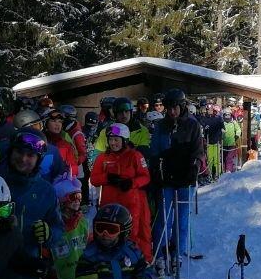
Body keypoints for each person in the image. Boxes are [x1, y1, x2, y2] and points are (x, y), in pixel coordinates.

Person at [149, 89, 203, 267]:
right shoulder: (161, 126)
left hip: (185, 178)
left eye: (175, 108)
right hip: (167, 178)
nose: (172, 112)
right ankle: (161, 251)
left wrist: (194, 166)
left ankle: (178, 250)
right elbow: (155, 151)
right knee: (164, 218)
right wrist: (156, 169)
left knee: (182, 218)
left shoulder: (192, 125)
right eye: (168, 108)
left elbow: (198, 151)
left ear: (181, 106)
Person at [90, 122, 153, 262]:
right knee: (108, 236)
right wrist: (107, 178)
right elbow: (94, 179)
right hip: (109, 204)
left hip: (130, 203)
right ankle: (110, 264)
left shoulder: (135, 156)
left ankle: (135, 262)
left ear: (124, 140)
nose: (113, 143)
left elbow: (145, 177)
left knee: (132, 234)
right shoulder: (103, 158)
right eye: (110, 140)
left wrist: (131, 183)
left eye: (116, 140)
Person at [0, 131, 65, 264]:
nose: (23, 159)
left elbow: (58, 227)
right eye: (19, 152)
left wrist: (49, 234)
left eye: (30, 155)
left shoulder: (46, 191)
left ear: (38, 159)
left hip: (29, 266)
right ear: (11, 152)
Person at [50, 180, 90, 279]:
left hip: (81, 276)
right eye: (73, 197)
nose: (77, 201)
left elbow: (88, 243)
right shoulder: (54, 225)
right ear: (62, 200)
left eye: (80, 196)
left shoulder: (82, 221)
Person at [200, 102, 225, 183]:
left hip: (217, 141)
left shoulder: (218, 119)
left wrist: (222, 130)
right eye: (208, 110)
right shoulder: (205, 119)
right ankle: (210, 174)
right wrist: (205, 128)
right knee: (210, 159)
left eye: (211, 109)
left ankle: (218, 174)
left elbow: (222, 127)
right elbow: (203, 126)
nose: (210, 111)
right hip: (209, 142)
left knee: (217, 160)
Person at [221, 107, 240, 174]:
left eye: (228, 115)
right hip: (223, 143)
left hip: (232, 143)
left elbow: (238, 129)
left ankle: (228, 170)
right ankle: (223, 170)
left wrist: (237, 135)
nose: (227, 117)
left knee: (229, 158)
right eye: (226, 115)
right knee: (223, 158)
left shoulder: (233, 122)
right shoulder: (222, 123)